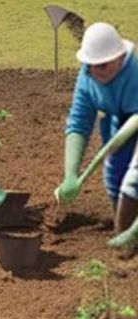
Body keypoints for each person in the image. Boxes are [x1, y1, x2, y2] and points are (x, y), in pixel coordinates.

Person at [56, 23, 138, 254]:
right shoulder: (87, 79)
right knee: (114, 177)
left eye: (103, 65)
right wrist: (71, 174)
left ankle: (128, 241)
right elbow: (79, 122)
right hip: (118, 126)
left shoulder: (135, 73)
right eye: (92, 65)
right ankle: (127, 233)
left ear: (120, 57)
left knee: (134, 181)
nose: (97, 70)